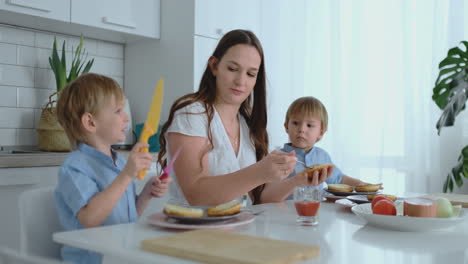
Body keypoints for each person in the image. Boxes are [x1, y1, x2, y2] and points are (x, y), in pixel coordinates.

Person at [157, 29, 332, 206]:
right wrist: (259, 172)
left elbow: (259, 198)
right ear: (214, 66)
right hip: (194, 231)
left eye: (251, 74)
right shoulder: (191, 116)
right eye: (233, 69)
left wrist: (298, 181)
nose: (241, 81)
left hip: (238, 229)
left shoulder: (247, 125)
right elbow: (196, 195)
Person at [54, 73, 171, 264]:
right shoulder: (74, 167)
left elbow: (126, 216)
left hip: (120, 256)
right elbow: (90, 218)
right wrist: (126, 176)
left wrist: (146, 194)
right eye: (118, 111)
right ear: (90, 123)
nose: (126, 118)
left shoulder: (120, 162)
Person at [281, 96, 380, 199]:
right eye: (295, 123)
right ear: (286, 126)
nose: (301, 129)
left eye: (309, 125)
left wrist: (362, 185)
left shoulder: (322, 156)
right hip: (282, 211)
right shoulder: (279, 158)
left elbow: (339, 179)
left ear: (321, 132)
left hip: (314, 211)